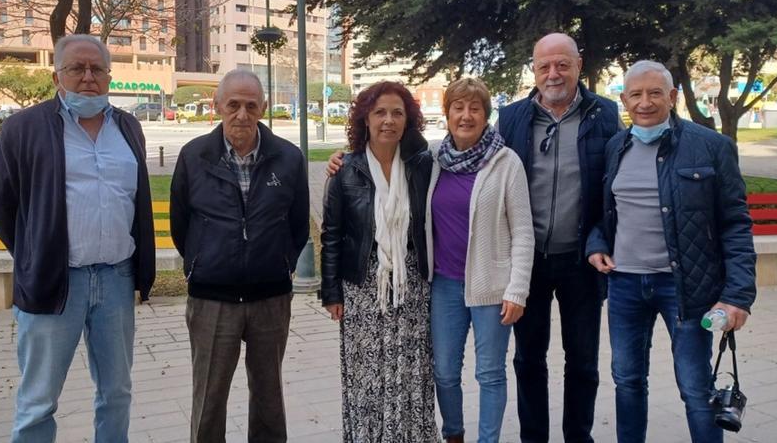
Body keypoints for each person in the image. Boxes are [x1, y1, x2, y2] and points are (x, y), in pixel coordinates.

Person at [0, 34, 155, 442]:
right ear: (56, 75)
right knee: (38, 401)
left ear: (109, 75)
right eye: (77, 68)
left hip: (115, 281)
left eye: (97, 69)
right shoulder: (24, 128)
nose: (88, 77)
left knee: (117, 394)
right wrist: (33, 254)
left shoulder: (128, 127)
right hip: (55, 282)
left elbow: (134, 200)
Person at [586, 60, 757, 443]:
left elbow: (735, 223)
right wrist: (596, 245)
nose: (645, 102)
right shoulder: (617, 147)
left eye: (654, 93)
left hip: (687, 288)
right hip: (625, 285)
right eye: (635, 94)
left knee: (696, 387)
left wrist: (738, 297)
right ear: (625, 99)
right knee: (627, 381)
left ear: (673, 96)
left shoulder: (711, 146)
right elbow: (604, 214)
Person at [169, 69, 309, 442]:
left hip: (270, 297)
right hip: (212, 298)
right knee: (209, 400)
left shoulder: (288, 158)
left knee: (268, 399)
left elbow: (297, 226)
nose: (242, 115)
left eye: (251, 106)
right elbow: (180, 224)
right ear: (217, 106)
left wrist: (280, 264)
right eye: (233, 105)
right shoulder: (194, 156)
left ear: (264, 107)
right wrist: (203, 262)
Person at [496, 32, 622, 442]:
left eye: (562, 65)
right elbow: (470, 157)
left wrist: (602, 238)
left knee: (583, 360)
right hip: (526, 262)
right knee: (528, 358)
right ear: (534, 70)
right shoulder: (512, 117)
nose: (553, 74)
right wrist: (350, 156)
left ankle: (577, 436)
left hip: (582, 259)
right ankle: (534, 437)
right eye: (544, 66)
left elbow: (619, 180)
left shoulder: (605, 114)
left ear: (578, 65)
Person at [320, 81, 438, 442]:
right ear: (365, 119)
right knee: (366, 375)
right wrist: (331, 292)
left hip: (412, 285)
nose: (389, 120)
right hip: (362, 286)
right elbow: (332, 234)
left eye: (397, 113)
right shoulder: (346, 170)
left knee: (410, 371)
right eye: (380, 112)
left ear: (408, 121)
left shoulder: (422, 166)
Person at [427, 78, 534, 443]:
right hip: (444, 285)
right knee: (444, 371)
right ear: (447, 114)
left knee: (489, 373)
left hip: (492, 287)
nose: (466, 115)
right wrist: (341, 160)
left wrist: (517, 290)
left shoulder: (506, 163)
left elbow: (523, 231)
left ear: (486, 115)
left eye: (475, 108)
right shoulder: (434, 160)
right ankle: (453, 433)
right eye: (458, 107)